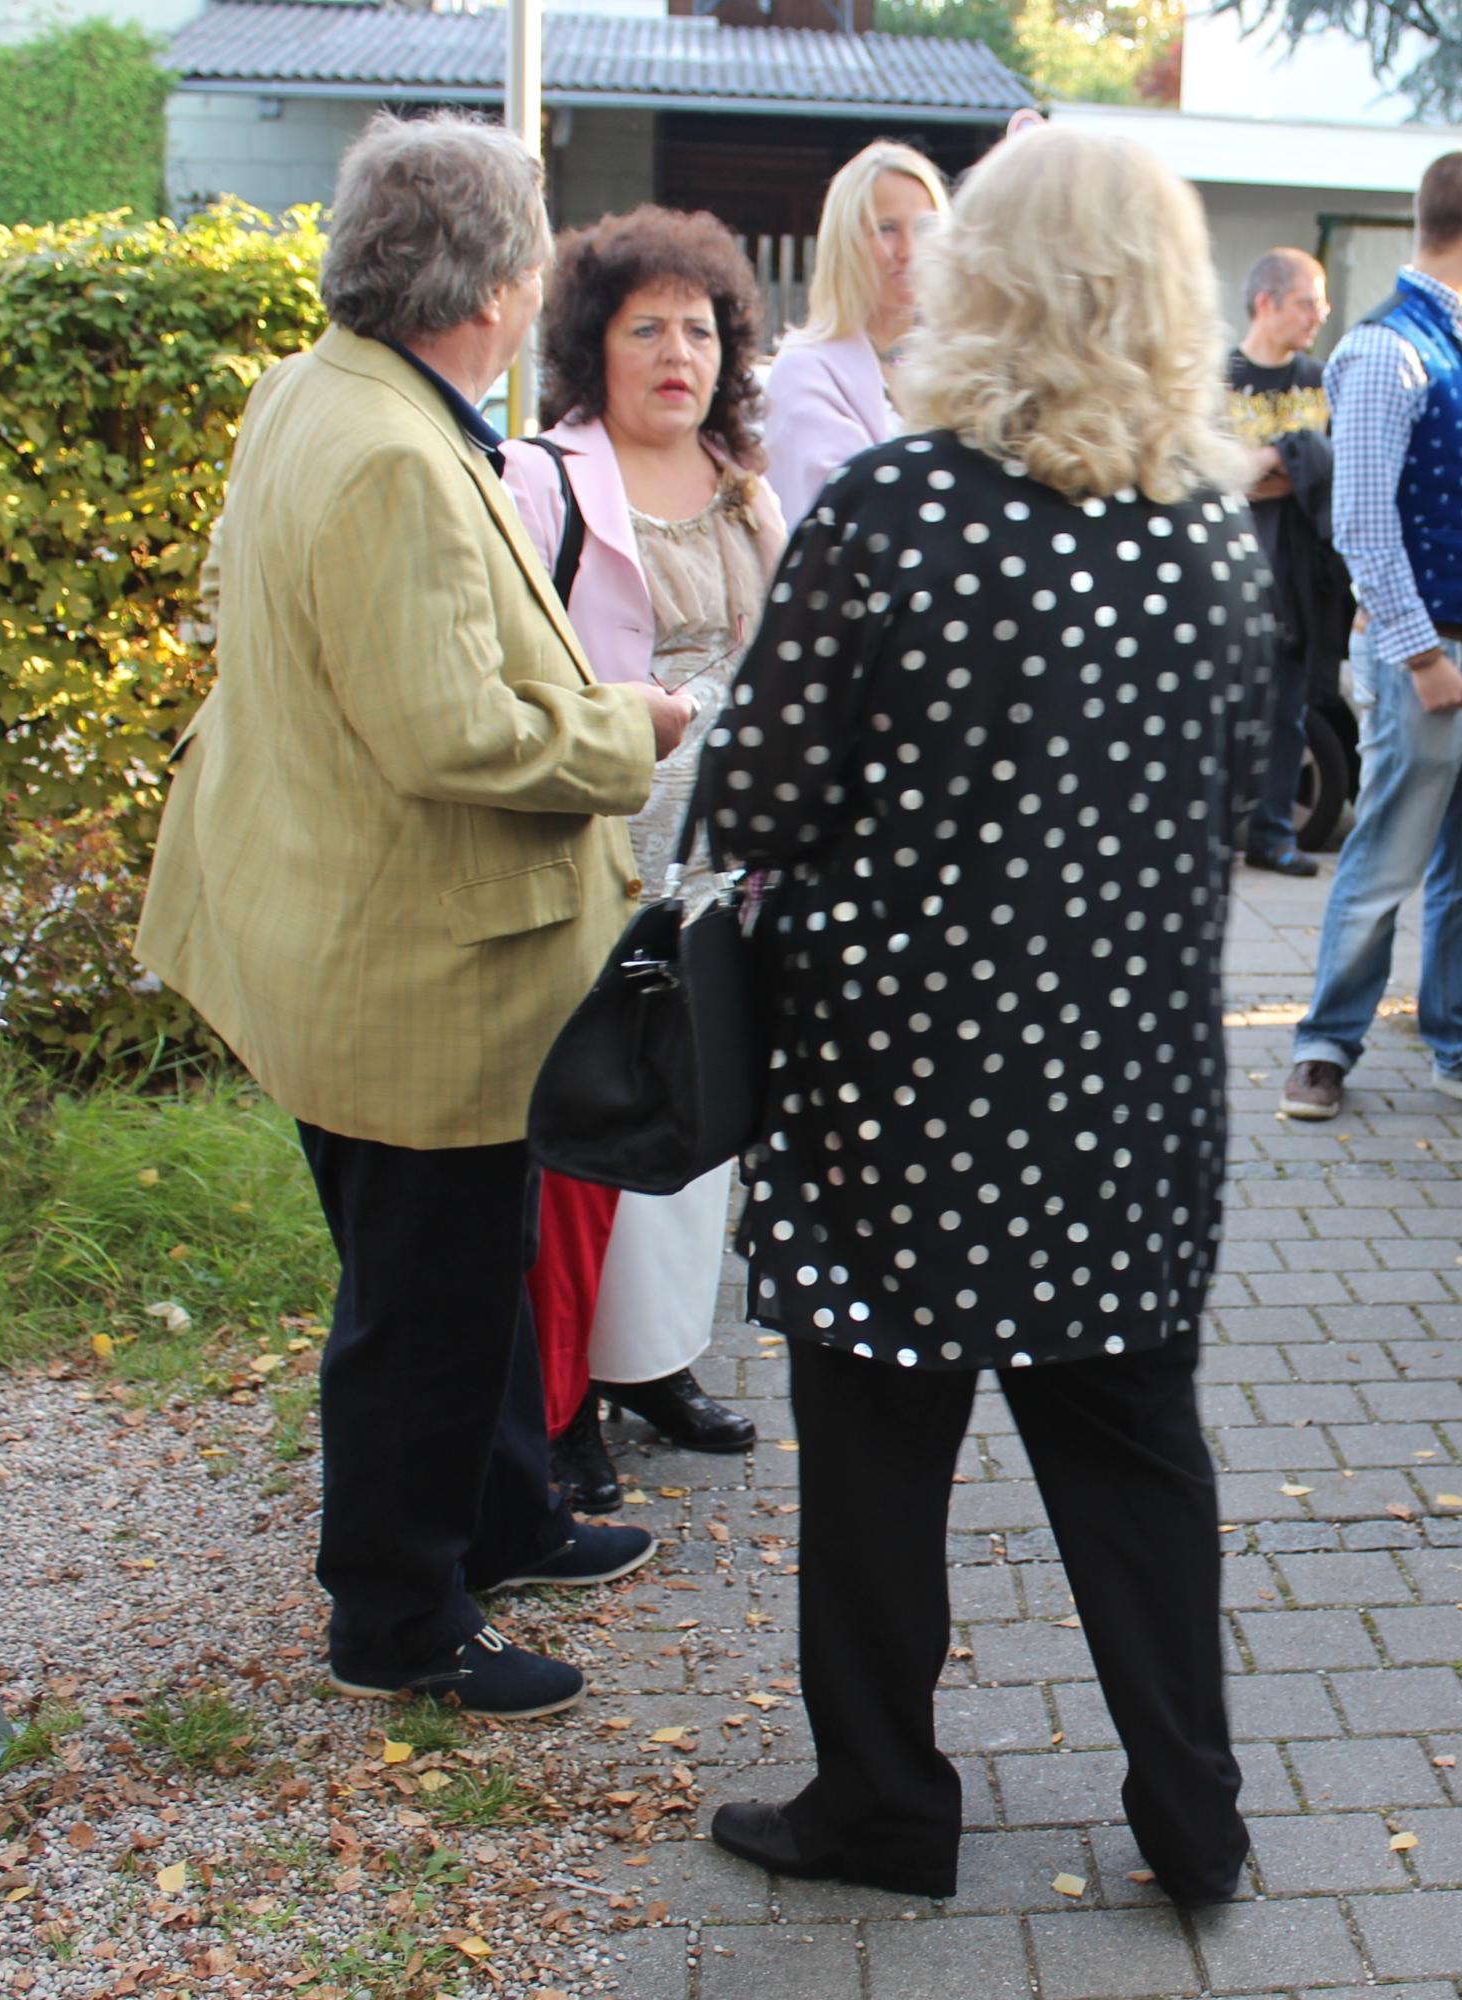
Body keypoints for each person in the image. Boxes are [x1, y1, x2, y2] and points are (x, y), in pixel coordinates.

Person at [698, 125, 1266, 1906]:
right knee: (1138, 1459)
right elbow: (1247, 799)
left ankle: (884, 1802)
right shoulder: (1212, 537)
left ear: (980, 281)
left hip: (902, 1084)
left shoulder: (892, 511)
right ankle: (1194, 1816)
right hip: (1126, 1090)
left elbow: (753, 797)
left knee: (878, 1455)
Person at [136, 114, 691, 1719]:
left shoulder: (327, 388)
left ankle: (503, 1516)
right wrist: (632, 732)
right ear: (499, 286)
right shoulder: (390, 448)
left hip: (360, 918)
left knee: (467, 1264)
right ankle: (398, 1617)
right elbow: (451, 735)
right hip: (408, 956)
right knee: (424, 1299)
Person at [499, 205, 788, 1512]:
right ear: (590, 342)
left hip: (716, 864)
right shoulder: (544, 482)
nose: (680, 354)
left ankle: (655, 1364)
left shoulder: (747, 490)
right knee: (591, 1140)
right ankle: (562, 1408)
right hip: (594, 857)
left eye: (702, 330)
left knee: (691, 1123)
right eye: (647, 329)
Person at [1278, 149, 1462, 1126]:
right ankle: (1324, 1046)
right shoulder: (1385, 349)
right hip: (1431, 655)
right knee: (1385, 862)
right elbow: (1360, 520)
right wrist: (1424, 655)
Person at [1227, 246, 1347, 879]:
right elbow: (1211, 473)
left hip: (1299, 581)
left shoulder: (1323, 381)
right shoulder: (1218, 380)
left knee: (1287, 715)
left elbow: (1334, 471)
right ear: (1265, 302)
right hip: (1228, 571)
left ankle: (1272, 835)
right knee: (1223, 709)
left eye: (1322, 303)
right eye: (1307, 302)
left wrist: (1265, 465)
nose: (1319, 315)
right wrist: (1291, 459)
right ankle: (1214, 832)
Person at [763, 140, 950, 520]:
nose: (908, 250)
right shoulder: (804, 372)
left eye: (924, 228)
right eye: (886, 229)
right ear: (845, 243)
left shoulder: (962, 361)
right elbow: (842, 511)